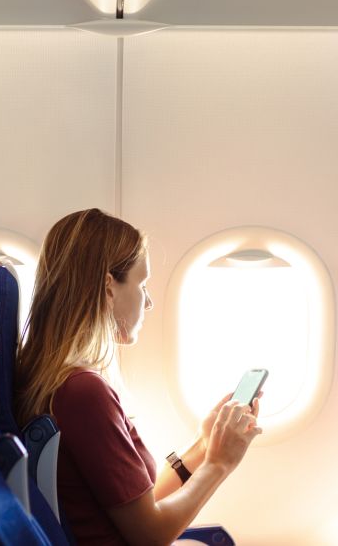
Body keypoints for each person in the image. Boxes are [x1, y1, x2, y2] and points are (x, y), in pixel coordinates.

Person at [14, 208, 262, 546]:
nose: (148, 302)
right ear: (108, 287)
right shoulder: (83, 393)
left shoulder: (62, 382)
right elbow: (150, 533)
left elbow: (136, 507)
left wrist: (204, 445)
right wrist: (220, 464)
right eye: (142, 284)